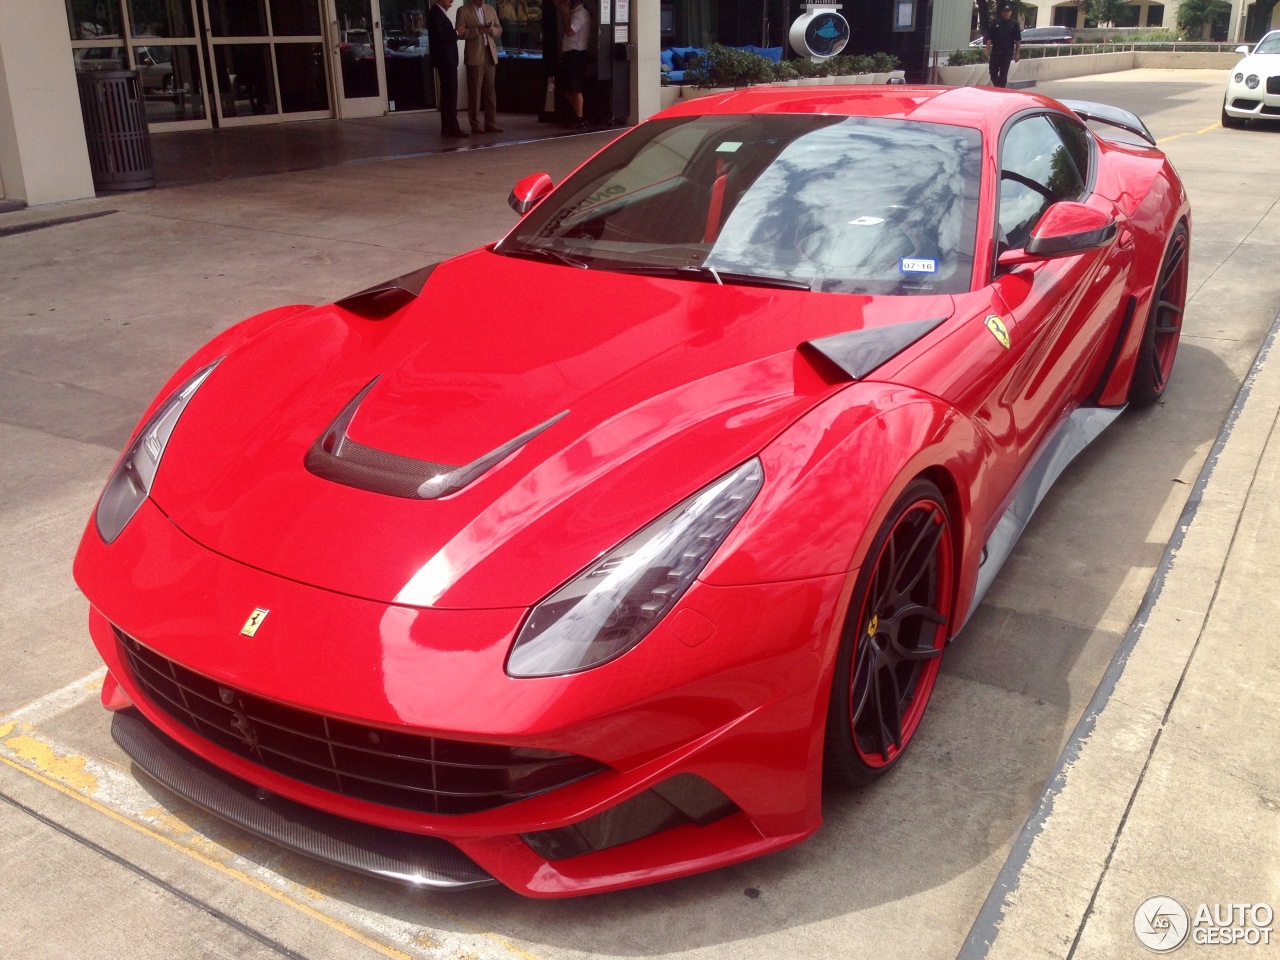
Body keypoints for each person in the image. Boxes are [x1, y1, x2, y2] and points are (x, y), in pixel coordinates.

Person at [457, 0, 503, 133]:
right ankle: (475, 124)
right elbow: (460, 33)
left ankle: (491, 122)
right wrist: (477, 30)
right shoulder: (463, 10)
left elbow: (499, 29)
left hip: (490, 53)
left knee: (490, 91)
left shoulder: (490, 9)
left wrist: (491, 30)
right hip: (474, 54)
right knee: (475, 92)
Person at [427, 0, 468, 138]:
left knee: (448, 94)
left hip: (447, 60)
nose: (452, 1)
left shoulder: (439, 14)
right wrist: (456, 32)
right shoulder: (435, 14)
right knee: (450, 95)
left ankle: (448, 127)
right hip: (445, 60)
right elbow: (441, 37)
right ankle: (451, 127)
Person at [554, 0, 590, 129]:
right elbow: (559, 7)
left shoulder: (580, 14)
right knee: (566, 87)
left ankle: (580, 118)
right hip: (569, 54)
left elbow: (570, 31)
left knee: (575, 88)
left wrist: (564, 14)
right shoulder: (572, 12)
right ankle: (576, 114)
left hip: (577, 54)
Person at [984, 2, 1021, 89]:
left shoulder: (1014, 24)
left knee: (1003, 74)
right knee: (992, 72)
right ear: (1002, 12)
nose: (1006, 13)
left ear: (1010, 13)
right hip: (996, 53)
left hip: (1007, 53)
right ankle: (999, 88)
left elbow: (1018, 40)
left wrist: (1017, 53)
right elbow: (990, 38)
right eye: (1005, 11)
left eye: (1008, 11)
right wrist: (986, 49)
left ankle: (1000, 90)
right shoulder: (996, 23)